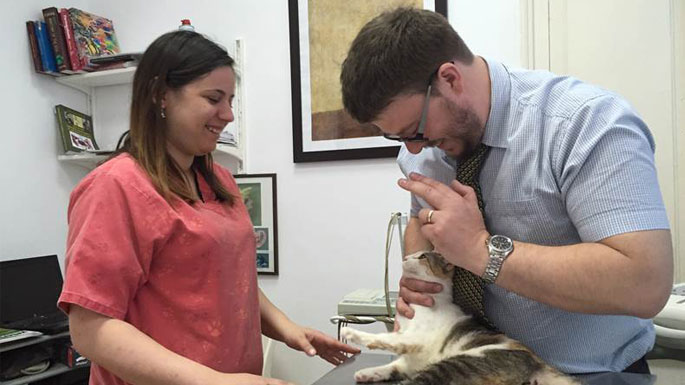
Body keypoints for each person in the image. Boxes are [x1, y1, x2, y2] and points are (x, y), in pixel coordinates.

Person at [340, 7, 673, 374]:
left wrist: (480, 251)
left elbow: (644, 283)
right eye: (398, 137)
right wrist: (421, 276)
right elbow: (424, 218)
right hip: (466, 371)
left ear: (450, 79)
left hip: (586, 374)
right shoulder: (426, 149)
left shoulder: (585, 123)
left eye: (414, 131)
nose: (414, 149)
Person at [58, 30, 359, 385]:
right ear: (160, 95)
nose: (228, 114)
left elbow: (229, 281)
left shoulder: (221, 182)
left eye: (231, 100)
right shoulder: (116, 186)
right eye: (214, 98)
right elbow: (90, 328)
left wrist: (289, 330)